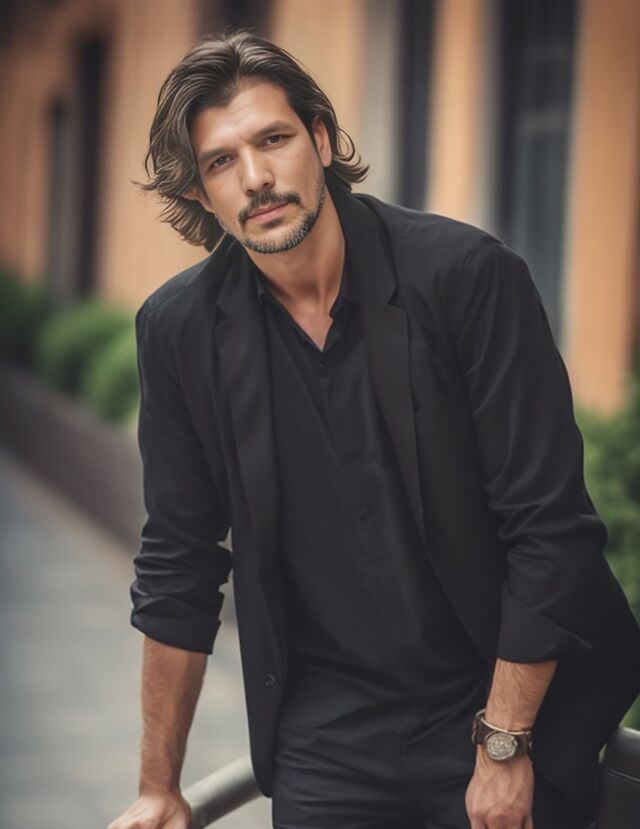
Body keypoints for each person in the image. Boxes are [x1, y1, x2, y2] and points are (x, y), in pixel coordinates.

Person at [108, 29, 640, 829]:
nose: (256, 178)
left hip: (502, 706)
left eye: (274, 140)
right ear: (200, 194)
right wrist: (159, 786)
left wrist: (504, 745)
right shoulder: (179, 331)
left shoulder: (467, 279)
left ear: (321, 140)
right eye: (221, 161)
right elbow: (179, 559)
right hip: (327, 738)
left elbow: (550, 528)